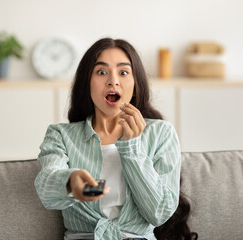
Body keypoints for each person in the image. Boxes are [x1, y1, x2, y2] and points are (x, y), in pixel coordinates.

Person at [35, 38, 196, 240]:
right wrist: (70, 183)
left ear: (136, 85)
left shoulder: (161, 134)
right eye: (101, 72)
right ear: (87, 83)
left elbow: (159, 213)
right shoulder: (61, 135)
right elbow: (46, 187)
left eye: (123, 72)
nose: (113, 80)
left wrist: (131, 148)